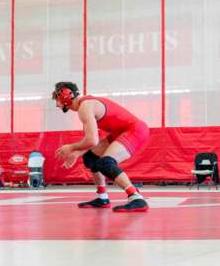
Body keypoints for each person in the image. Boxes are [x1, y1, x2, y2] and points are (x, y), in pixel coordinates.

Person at [53, 81, 149, 212]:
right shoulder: (86, 105)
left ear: (65, 95)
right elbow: (92, 140)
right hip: (121, 132)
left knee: (106, 163)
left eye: (56, 98)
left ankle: (136, 198)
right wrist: (77, 153)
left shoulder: (85, 107)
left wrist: (71, 147)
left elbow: (92, 140)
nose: (56, 104)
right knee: (91, 158)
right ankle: (102, 197)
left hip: (135, 130)